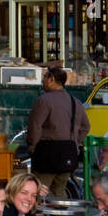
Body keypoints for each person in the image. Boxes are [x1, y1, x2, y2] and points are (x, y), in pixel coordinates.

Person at [27, 67, 90, 198]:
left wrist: (32, 146)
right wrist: (75, 141)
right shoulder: (75, 102)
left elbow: (35, 126)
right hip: (68, 153)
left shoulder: (43, 100)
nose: (42, 81)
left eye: (45, 78)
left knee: (38, 191)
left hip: (47, 153)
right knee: (59, 192)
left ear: (51, 79)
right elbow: (85, 126)